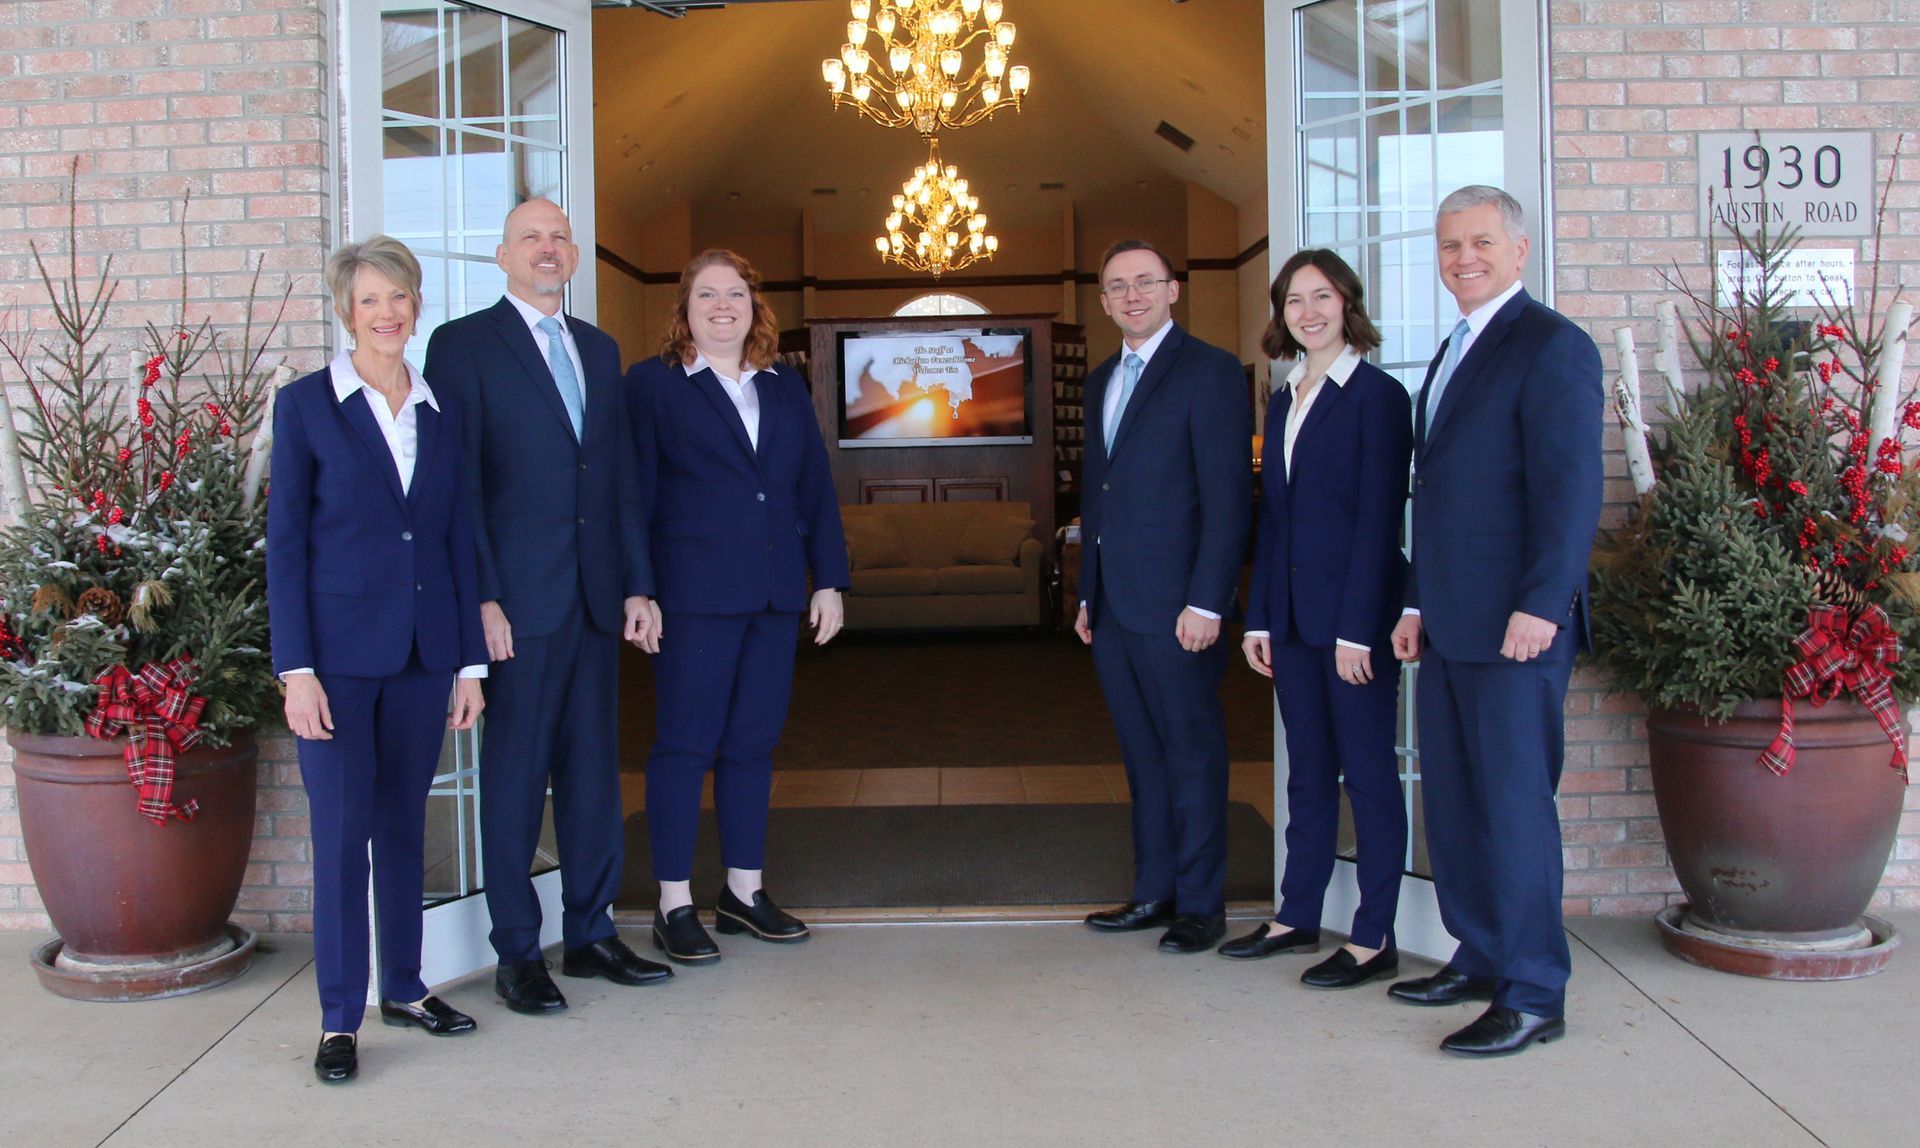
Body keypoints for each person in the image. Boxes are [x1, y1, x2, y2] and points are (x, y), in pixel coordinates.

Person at [424, 198, 670, 1015]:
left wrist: (638, 584)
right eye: (531, 237)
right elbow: (455, 486)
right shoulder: (461, 346)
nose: (548, 249)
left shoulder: (600, 351)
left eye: (559, 237)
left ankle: (592, 933)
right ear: (502, 255)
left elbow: (620, 480)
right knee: (517, 780)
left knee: (595, 776)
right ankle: (518, 954)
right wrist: (481, 596)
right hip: (517, 605)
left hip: (597, 598)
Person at [267, 235, 489, 1083]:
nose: (388, 313)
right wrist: (297, 670)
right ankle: (338, 1017)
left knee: (405, 831)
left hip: (424, 656)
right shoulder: (307, 406)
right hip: (336, 664)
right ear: (346, 311)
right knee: (341, 838)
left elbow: (454, 537)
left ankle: (404, 985)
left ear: (415, 304)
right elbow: (284, 548)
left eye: (399, 297)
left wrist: (468, 665)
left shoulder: (440, 409)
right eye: (370, 301)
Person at [1387, 186, 1603, 1057]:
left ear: (1519, 250)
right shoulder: (1453, 349)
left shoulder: (1552, 345)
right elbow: (1436, 497)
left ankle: (1535, 990)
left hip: (1518, 629)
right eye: (1448, 246)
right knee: (1457, 805)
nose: (1462, 258)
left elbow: (1570, 491)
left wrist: (1541, 606)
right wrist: (1413, 602)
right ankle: (1479, 955)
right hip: (1448, 624)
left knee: (1514, 810)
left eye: (1479, 242)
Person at [625, 250, 849, 964]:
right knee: (686, 747)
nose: (722, 306)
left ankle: (744, 894)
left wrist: (828, 580)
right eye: (707, 295)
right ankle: (674, 903)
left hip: (775, 593)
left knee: (753, 744)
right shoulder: (653, 386)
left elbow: (813, 485)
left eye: (736, 295)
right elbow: (631, 494)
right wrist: (638, 587)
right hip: (692, 596)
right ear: (684, 307)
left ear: (755, 307)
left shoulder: (781, 386)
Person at [1228, 250, 1413, 988]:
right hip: (1295, 625)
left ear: (1347, 303)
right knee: (1306, 776)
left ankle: (1374, 937)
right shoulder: (1284, 396)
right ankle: (1295, 914)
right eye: (1293, 301)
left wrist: (1355, 631)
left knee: (1368, 779)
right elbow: (1275, 520)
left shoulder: (1379, 396)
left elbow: (1377, 523)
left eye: (1321, 297)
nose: (1307, 312)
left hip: (1352, 629)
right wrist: (1260, 619)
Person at [1077, 239, 1253, 953]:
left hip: (1181, 608)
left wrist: (1209, 601)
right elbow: (1101, 494)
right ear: (1104, 300)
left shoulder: (1208, 372)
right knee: (1142, 757)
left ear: (1173, 289)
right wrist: (1088, 593)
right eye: (1117, 287)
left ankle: (1201, 905)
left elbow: (1228, 498)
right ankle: (1154, 891)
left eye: (1145, 283)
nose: (1132, 296)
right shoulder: (1099, 381)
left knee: (1192, 755)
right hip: (1115, 606)